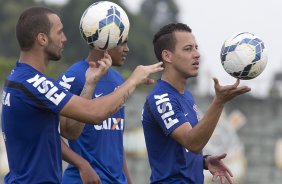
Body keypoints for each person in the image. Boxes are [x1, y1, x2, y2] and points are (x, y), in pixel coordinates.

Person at [1, 7, 163, 184]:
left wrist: (89, 84)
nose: (64, 38)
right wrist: (133, 81)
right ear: (42, 38)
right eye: (59, 32)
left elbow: (66, 133)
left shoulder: (23, 79)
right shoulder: (33, 83)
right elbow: (94, 114)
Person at [141, 23, 251, 184]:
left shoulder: (186, 96)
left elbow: (181, 150)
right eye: (188, 49)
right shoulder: (161, 98)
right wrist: (219, 102)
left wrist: (203, 161)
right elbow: (192, 142)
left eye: (196, 48)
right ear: (167, 56)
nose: (197, 54)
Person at [58, 38, 133, 184]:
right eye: (121, 43)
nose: (126, 49)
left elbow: (115, 140)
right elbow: (55, 133)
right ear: (104, 41)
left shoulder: (119, 81)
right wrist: (82, 164)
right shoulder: (72, 77)